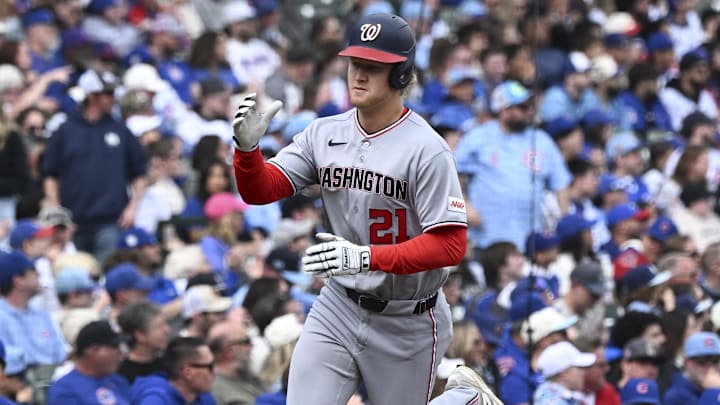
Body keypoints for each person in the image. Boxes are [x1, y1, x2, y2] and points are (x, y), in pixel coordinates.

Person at [231, 12, 479, 405]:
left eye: (372, 67)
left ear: (400, 75)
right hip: (339, 304)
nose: (358, 76)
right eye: (354, 64)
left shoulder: (427, 149)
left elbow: (450, 247)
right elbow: (262, 190)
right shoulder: (324, 133)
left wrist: (365, 257)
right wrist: (247, 153)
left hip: (408, 316)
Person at [42, 69, 146, 263]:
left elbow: (139, 173)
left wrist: (132, 207)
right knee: (76, 272)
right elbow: (50, 175)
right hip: (73, 221)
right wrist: (57, 212)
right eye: (108, 94)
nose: (113, 99)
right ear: (92, 96)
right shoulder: (65, 131)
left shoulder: (120, 131)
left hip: (110, 219)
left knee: (104, 270)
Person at [47, 320, 131, 405]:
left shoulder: (118, 381)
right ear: (94, 350)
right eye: (114, 347)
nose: (120, 353)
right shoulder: (65, 390)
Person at [131, 337, 217, 405]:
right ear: (188, 372)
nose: (215, 371)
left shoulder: (204, 397)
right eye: (210, 367)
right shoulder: (155, 400)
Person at [116, 301, 171, 384]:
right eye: (160, 326)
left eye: (166, 324)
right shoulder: (120, 375)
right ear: (140, 335)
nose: (167, 330)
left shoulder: (170, 365)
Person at [534, 341, 596, 405]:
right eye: (579, 367)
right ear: (564, 373)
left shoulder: (550, 395)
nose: (584, 373)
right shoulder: (554, 401)